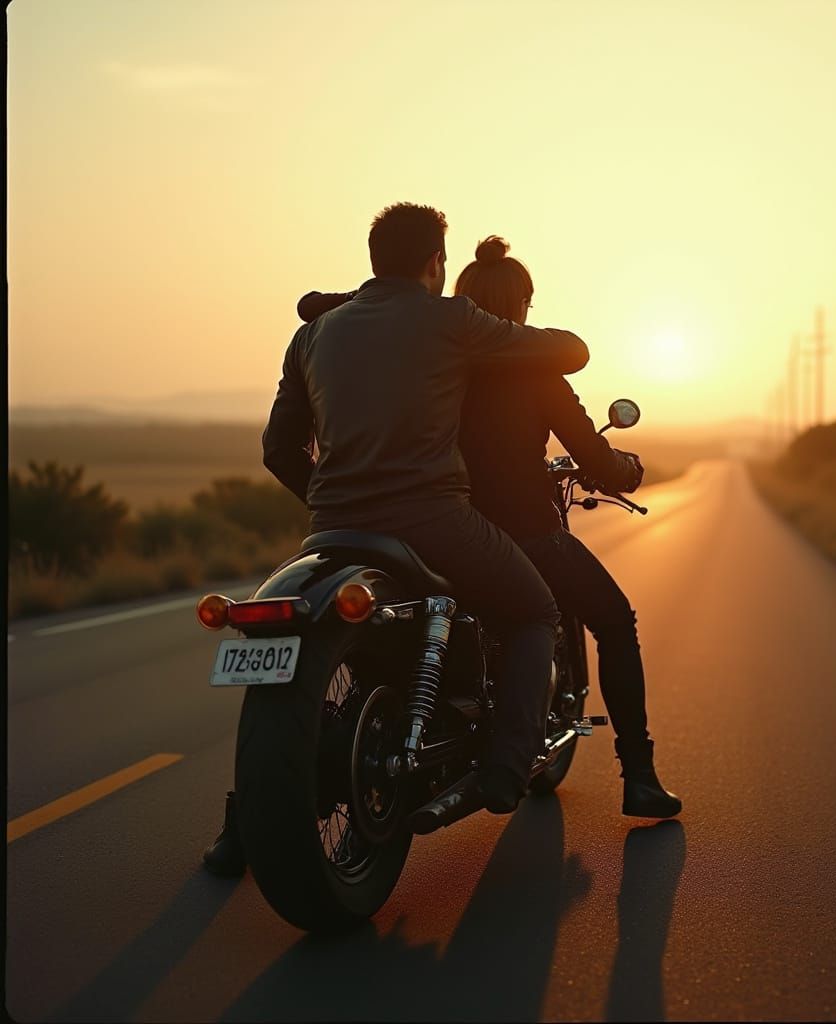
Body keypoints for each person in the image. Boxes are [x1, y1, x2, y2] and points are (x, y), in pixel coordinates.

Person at [202, 205, 589, 876]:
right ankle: (505, 769)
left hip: (332, 532)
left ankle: (247, 821)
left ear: (374, 257)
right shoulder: (450, 320)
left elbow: (277, 448)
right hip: (432, 520)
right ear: (435, 264)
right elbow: (573, 352)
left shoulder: (315, 334)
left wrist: (333, 499)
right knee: (534, 612)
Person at [292, 236, 680, 817]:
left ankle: (247, 813)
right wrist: (624, 470)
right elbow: (595, 459)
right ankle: (640, 776)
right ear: (523, 304)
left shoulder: (438, 358)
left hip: (423, 535)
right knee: (614, 620)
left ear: (459, 295)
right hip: (521, 530)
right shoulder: (535, 370)